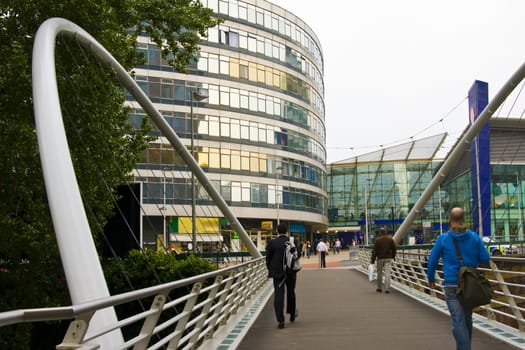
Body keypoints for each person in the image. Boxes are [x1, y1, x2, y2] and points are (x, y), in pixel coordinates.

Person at [427, 207, 490, 350]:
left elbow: (432, 261)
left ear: (450, 219)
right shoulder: (474, 237)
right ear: (463, 220)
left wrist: (430, 278)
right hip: (469, 284)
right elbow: (485, 257)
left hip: (451, 284)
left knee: (458, 320)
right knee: (467, 318)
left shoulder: (443, 238)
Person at [266, 223, 298, 329]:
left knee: (279, 295)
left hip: (277, 272)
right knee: (291, 292)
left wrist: (270, 269)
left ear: (277, 231)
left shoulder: (272, 242)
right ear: (286, 231)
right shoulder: (292, 242)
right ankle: (292, 314)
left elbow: (268, 258)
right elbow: (298, 255)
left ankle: (280, 321)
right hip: (290, 272)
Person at [370, 227, 397, 293]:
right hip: (388, 258)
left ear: (380, 233)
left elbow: (375, 251)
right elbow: (394, 249)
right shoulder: (390, 239)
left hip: (380, 258)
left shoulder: (378, 240)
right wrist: (393, 256)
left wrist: (372, 260)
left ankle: (379, 288)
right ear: (386, 232)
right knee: (387, 273)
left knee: (379, 273)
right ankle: (387, 288)